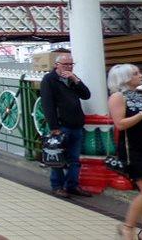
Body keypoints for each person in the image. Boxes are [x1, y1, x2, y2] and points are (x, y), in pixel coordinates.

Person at [39, 49, 92, 198]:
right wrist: (54, 127)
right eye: (65, 64)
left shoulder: (72, 79)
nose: (69, 67)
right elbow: (47, 105)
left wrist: (75, 79)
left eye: (71, 64)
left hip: (76, 124)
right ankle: (57, 186)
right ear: (57, 65)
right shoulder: (49, 80)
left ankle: (72, 185)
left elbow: (86, 95)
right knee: (57, 157)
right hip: (61, 125)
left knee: (74, 159)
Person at [109, 64, 142, 240]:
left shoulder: (140, 95)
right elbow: (120, 123)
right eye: (135, 73)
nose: (140, 75)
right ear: (125, 78)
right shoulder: (118, 97)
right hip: (133, 150)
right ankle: (128, 227)